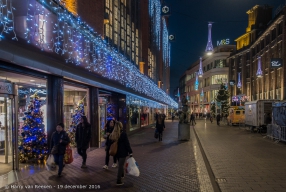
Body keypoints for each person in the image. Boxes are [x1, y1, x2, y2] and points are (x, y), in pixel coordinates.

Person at [109, 121, 133, 186]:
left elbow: (110, 143)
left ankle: (122, 175)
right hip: (122, 152)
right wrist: (130, 152)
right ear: (121, 126)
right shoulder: (123, 134)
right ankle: (118, 180)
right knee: (120, 165)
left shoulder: (113, 134)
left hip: (116, 152)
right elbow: (127, 144)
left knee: (120, 163)